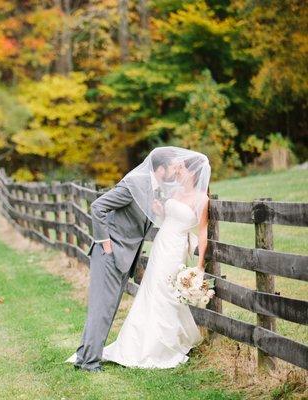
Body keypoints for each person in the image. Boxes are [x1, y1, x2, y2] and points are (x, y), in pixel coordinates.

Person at [66, 146, 211, 371]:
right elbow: (98, 207)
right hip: (112, 254)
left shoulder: (154, 188)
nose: (176, 170)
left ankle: (86, 355)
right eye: (173, 166)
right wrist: (105, 244)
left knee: (106, 309)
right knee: (102, 309)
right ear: (161, 169)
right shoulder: (135, 183)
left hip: (133, 255)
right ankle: (89, 362)